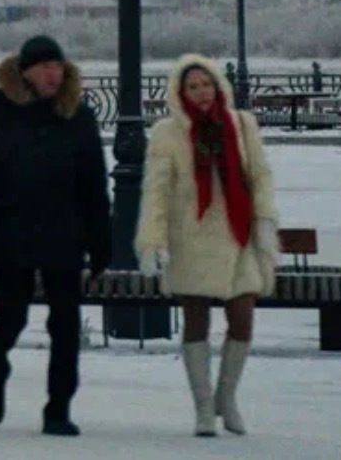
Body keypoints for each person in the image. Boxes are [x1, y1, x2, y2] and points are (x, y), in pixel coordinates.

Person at [0, 34, 112, 437]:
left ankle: (58, 408)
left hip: (64, 233)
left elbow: (93, 183)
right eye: (44, 67)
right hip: (9, 233)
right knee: (11, 316)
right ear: (25, 71)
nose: (52, 74)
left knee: (66, 325)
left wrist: (100, 239)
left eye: (58, 66)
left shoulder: (77, 114)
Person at [136, 54, 279, 437]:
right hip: (192, 238)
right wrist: (152, 239)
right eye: (193, 86)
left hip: (238, 235)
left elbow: (260, 176)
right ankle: (202, 407)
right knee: (196, 319)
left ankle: (226, 398)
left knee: (243, 317)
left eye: (206, 84)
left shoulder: (241, 124)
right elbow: (156, 191)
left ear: (218, 86)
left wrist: (265, 219)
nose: (201, 92)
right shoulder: (169, 133)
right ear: (180, 93)